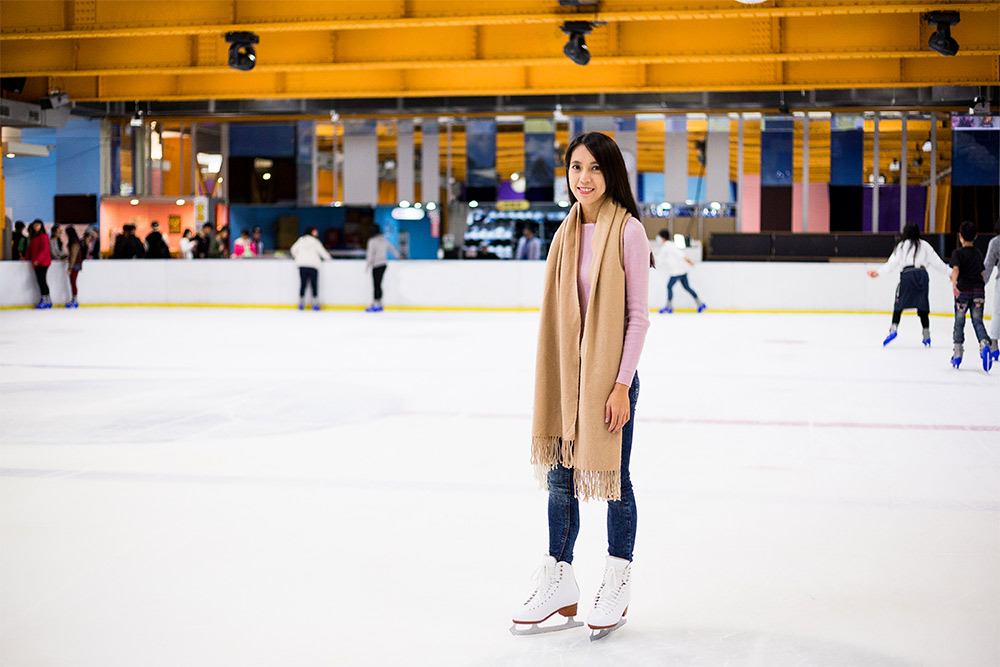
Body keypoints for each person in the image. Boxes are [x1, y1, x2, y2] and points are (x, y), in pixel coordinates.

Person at [511, 132, 651, 640]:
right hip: (568, 378)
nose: (583, 178)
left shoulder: (629, 232)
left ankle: (618, 576)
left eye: (593, 168)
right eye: (575, 168)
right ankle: (560, 577)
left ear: (610, 173)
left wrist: (620, 385)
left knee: (615, 480)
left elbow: (637, 319)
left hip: (610, 382)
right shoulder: (564, 235)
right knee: (559, 480)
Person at [867, 222, 951, 347]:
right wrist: (949, 272)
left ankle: (893, 328)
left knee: (899, 302)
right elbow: (936, 262)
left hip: (907, 275)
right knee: (922, 304)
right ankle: (926, 333)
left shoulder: (901, 246)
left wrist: (878, 273)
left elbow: (892, 263)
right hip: (922, 275)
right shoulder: (925, 245)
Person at [948, 221, 991, 371]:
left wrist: (954, 284)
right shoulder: (978, 253)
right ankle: (985, 343)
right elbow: (982, 273)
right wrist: (979, 288)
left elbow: (955, 270)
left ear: (960, 236)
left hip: (963, 291)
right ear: (976, 236)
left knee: (959, 322)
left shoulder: (957, 253)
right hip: (978, 290)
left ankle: (958, 352)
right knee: (978, 321)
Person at [654, 229, 705, 314]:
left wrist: (688, 261)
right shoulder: (670, 245)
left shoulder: (667, 245)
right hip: (682, 270)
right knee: (687, 287)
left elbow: (678, 254)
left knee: (669, 286)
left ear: (663, 238)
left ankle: (669, 306)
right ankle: (700, 303)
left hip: (676, 271)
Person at [290, 226, 331, 311]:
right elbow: (323, 253)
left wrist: (298, 257)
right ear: (312, 232)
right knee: (314, 284)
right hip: (313, 265)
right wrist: (330, 258)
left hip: (302, 265)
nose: (317, 232)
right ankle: (315, 303)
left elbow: (293, 250)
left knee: (303, 284)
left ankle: (301, 303)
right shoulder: (315, 242)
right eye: (315, 231)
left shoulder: (301, 240)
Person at [364, 225, 400, 312]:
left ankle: (376, 302)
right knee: (378, 284)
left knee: (376, 284)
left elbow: (370, 254)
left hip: (376, 264)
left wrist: (368, 265)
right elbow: (392, 249)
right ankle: (378, 302)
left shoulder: (372, 241)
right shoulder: (383, 240)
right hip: (383, 264)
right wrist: (398, 256)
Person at [983, 220, 1000, 362]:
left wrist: (980, 284)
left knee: (998, 312)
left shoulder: (995, 242)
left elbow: (988, 265)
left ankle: (994, 344)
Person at [26, 220, 52, 309]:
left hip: (43, 262)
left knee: (42, 280)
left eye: (38, 225)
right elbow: (30, 250)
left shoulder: (44, 236)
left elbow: (45, 250)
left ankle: (45, 299)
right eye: (35, 225)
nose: (36, 227)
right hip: (36, 263)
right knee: (41, 280)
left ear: (41, 226)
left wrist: (38, 260)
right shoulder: (33, 237)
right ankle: (47, 300)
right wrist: (26, 258)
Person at [65, 226, 85, 308]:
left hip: (75, 265)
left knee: (73, 282)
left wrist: (70, 268)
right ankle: (74, 299)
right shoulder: (75, 242)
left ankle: (75, 299)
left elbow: (73, 256)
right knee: (72, 282)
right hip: (76, 264)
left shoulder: (74, 243)